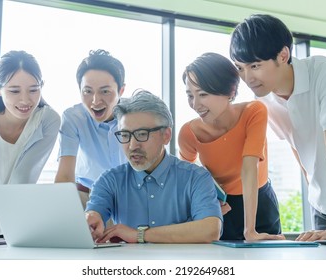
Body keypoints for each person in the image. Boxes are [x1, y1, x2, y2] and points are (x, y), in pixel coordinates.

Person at [230, 14, 326, 240]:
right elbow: (294, 143)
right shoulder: (263, 100)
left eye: (255, 66)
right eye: (240, 68)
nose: (248, 77)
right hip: (322, 208)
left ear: (283, 55)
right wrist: (314, 192)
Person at [85, 90, 223, 243]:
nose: (132, 145)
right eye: (125, 135)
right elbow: (94, 212)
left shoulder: (196, 177)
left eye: (142, 134)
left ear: (166, 136)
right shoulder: (109, 180)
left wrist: (138, 235)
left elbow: (211, 230)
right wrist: (91, 218)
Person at [178, 52, 283, 241]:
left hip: (260, 201)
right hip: (221, 208)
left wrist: (249, 231)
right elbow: (184, 179)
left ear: (231, 92)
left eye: (203, 94)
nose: (195, 104)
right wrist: (208, 201)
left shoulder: (254, 111)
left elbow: (250, 166)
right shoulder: (188, 133)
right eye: (190, 95)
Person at [0, 50, 60, 238]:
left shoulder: (48, 121)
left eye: (34, 89)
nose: (25, 100)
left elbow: (24, 175)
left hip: (15, 227)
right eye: (14, 91)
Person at [54, 49, 127, 207]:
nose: (95, 101)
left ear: (121, 91)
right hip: (87, 197)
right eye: (87, 91)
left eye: (105, 91)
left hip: (129, 198)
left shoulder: (136, 114)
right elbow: (65, 176)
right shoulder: (73, 117)